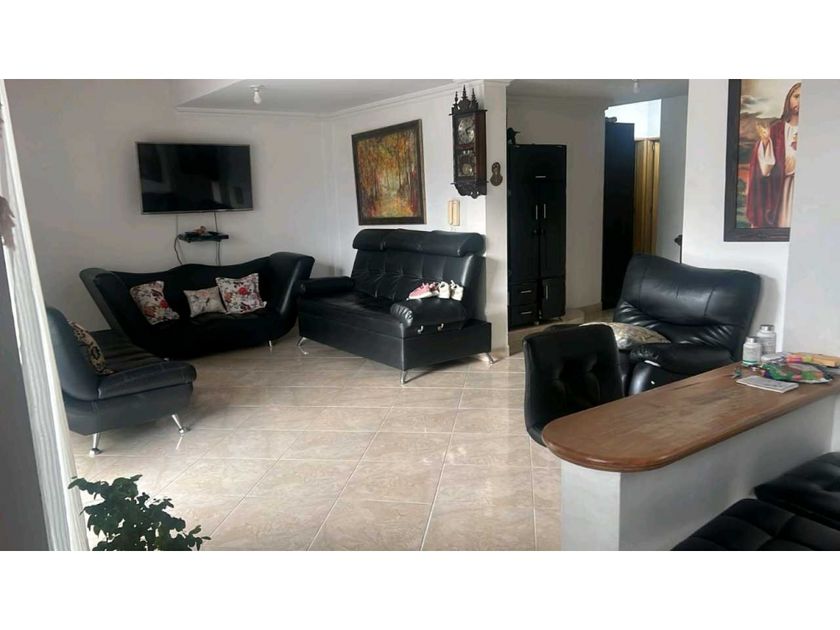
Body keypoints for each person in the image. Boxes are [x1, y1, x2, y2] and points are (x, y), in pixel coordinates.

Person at [745, 82, 801, 228]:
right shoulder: (777, 130)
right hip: (780, 190)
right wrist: (765, 143)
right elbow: (765, 168)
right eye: (797, 96)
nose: (800, 101)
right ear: (789, 99)